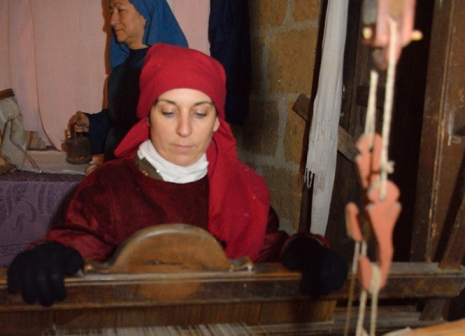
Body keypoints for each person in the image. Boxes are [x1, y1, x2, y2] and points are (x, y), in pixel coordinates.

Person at [7, 44, 348, 307]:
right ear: (148, 117)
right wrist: (51, 255)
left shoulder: (240, 189)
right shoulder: (110, 187)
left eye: (200, 113)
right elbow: (78, 243)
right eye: (169, 111)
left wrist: (303, 249)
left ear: (217, 121)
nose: (184, 129)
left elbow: (264, 249)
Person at [69, 0, 187, 164]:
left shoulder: (168, 70)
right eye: (111, 11)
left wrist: (116, 174)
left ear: (146, 15)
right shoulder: (119, 73)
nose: (112, 21)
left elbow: (168, 136)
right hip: (119, 172)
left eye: (121, 10)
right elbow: (120, 125)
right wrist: (92, 123)